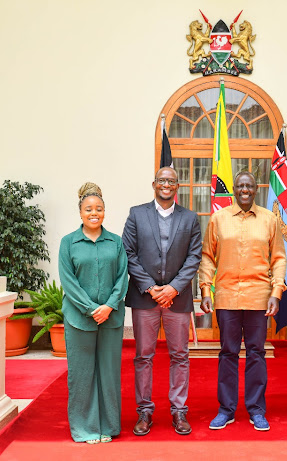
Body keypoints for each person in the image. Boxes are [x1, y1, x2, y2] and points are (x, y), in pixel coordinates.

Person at [199, 171, 287, 432]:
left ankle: (256, 409)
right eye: (240, 186)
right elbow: (207, 256)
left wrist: (276, 292)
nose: (245, 189)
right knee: (227, 353)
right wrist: (206, 290)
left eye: (249, 185)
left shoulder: (270, 219)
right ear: (234, 189)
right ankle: (226, 410)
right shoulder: (219, 218)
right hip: (226, 296)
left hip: (259, 298)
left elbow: (279, 259)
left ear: (256, 188)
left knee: (256, 353)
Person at [122, 167, 202, 436]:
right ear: (154, 184)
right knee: (144, 356)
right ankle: (144, 410)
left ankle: (179, 411)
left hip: (177, 300)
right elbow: (128, 253)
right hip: (145, 298)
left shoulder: (190, 218)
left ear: (177, 186)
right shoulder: (137, 214)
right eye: (162, 180)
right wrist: (151, 288)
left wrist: (173, 288)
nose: (166, 184)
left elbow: (194, 257)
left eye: (171, 181)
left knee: (180, 355)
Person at [58, 182, 128, 444]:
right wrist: (90, 309)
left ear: (105, 212)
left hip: (111, 318)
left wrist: (109, 306)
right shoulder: (68, 243)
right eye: (89, 209)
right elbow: (68, 281)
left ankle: (108, 426)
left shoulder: (116, 242)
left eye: (99, 208)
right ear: (80, 212)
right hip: (79, 320)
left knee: (109, 374)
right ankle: (85, 428)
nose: (94, 213)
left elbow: (122, 278)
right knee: (82, 375)